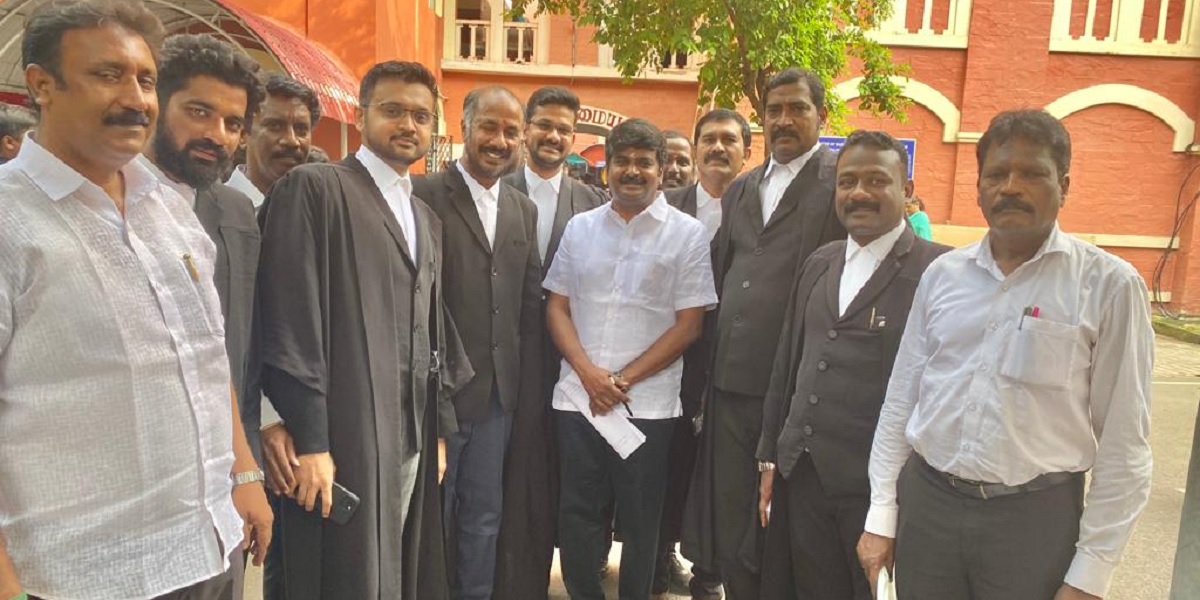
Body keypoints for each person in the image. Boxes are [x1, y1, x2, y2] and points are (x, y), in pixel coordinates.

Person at [0, 1, 273, 599]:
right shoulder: (10, 220)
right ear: (42, 85)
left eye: (146, 80)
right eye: (108, 75)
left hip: (204, 544)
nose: (136, 98)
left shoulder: (168, 208)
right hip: (80, 574)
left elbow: (205, 353)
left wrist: (244, 470)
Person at [858, 109, 1154, 600]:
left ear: (1064, 184)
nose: (1011, 187)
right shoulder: (943, 276)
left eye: (1032, 174)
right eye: (996, 174)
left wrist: (1090, 576)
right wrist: (881, 517)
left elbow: (1126, 445)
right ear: (979, 188)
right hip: (930, 511)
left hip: (1033, 523)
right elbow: (900, 402)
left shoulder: (1108, 286)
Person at [257, 60, 468, 600]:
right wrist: (311, 440)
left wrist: (437, 430)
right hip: (342, 430)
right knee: (337, 572)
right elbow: (290, 317)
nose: (408, 125)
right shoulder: (314, 189)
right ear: (360, 113)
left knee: (393, 564)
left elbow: (433, 330)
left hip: (409, 430)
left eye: (422, 115)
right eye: (393, 110)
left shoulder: (424, 218)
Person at [756, 130, 950, 600]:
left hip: (880, 491)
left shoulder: (939, 272)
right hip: (803, 477)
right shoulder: (820, 263)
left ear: (905, 192)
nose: (858, 193)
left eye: (876, 180)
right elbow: (789, 363)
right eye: (847, 182)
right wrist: (769, 455)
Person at [683, 66, 846, 600]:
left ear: (821, 115)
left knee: (783, 519)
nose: (783, 119)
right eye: (773, 109)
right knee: (734, 514)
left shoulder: (839, 181)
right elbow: (723, 272)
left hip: (799, 387)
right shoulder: (743, 189)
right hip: (732, 382)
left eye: (797, 108)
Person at [545, 118, 718, 600]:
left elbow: (690, 325)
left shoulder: (687, 235)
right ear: (607, 169)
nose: (632, 170)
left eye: (645, 162)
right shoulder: (580, 229)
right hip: (577, 402)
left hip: (648, 408)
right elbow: (556, 306)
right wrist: (588, 375)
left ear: (662, 170)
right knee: (577, 515)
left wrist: (619, 380)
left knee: (643, 521)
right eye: (623, 161)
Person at [412, 85, 542, 600]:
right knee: (431, 518)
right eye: (489, 126)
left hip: (496, 400)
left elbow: (528, 308)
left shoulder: (522, 210)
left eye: (512, 131)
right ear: (464, 127)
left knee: (484, 517)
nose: (500, 139)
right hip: (433, 395)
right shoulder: (421, 195)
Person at [496, 85, 606, 600]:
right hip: (504, 360)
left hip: (571, 364)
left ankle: (582, 575)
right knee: (513, 480)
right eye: (544, 124)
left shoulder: (592, 202)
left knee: (568, 480)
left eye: (565, 128)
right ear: (526, 127)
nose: (554, 136)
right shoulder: (493, 186)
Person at [140, 31, 266, 465]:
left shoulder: (237, 210)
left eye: (233, 124)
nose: (218, 135)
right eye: (199, 112)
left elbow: (248, 337)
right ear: (156, 103)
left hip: (227, 456)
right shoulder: (103, 200)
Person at [661, 107, 753, 600]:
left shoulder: (757, 209)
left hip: (730, 364)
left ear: (746, 151)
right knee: (666, 466)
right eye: (709, 139)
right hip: (666, 360)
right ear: (695, 150)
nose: (718, 148)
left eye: (729, 140)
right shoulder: (667, 205)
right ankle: (658, 556)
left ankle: (709, 572)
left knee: (717, 471)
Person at [226, 73, 320, 210]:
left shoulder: (319, 211)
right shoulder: (206, 211)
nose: (292, 141)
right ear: (243, 134)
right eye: (275, 126)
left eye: (301, 129)